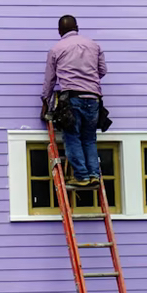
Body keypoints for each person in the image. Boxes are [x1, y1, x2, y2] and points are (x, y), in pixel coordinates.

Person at [41, 15, 107, 189]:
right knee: (89, 139)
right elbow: (102, 71)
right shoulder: (94, 45)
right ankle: (94, 175)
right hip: (93, 98)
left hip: (72, 98)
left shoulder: (56, 49)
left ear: (60, 31)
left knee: (72, 138)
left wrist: (45, 101)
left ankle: (82, 176)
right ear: (77, 27)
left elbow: (50, 80)